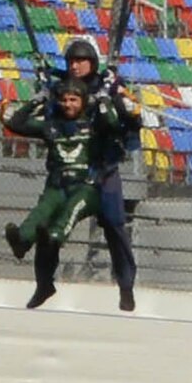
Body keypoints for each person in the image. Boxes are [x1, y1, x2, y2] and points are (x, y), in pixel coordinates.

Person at [2, 78, 108, 309]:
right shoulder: (51, 125)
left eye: (73, 100)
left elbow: (112, 123)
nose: (68, 104)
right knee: (41, 212)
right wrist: (37, 100)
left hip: (85, 188)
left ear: (83, 102)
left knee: (66, 217)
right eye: (64, 100)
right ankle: (22, 242)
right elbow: (14, 122)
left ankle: (53, 239)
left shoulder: (94, 125)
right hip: (58, 186)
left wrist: (104, 99)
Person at [60, 37, 142, 311]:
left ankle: (126, 285)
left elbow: (133, 117)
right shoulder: (63, 89)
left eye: (80, 61)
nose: (75, 66)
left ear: (92, 63)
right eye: (71, 61)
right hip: (73, 168)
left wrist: (114, 100)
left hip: (103, 168)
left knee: (115, 226)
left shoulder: (110, 86)